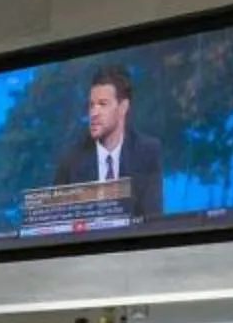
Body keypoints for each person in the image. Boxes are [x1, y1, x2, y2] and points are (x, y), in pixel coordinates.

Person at [51, 61, 164, 217]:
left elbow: (152, 219)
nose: (94, 113)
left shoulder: (147, 151)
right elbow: (58, 222)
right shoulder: (71, 161)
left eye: (103, 104)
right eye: (91, 105)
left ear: (123, 107)